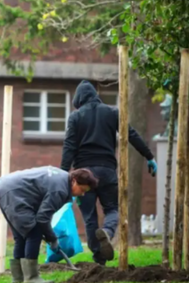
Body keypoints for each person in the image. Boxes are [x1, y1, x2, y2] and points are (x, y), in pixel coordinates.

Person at [60, 80, 158, 265]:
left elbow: (69, 146)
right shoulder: (113, 112)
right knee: (113, 209)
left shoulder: (75, 117)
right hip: (107, 171)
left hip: (83, 175)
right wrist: (149, 156)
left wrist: (63, 174)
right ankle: (108, 231)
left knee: (90, 217)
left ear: (79, 99)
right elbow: (132, 134)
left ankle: (99, 260)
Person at [0, 166, 98, 283]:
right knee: (34, 232)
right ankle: (32, 278)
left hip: (4, 187)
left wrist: (50, 236)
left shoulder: (63, 178)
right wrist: (52, 238)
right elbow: (42, 218)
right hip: (14, 192)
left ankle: (18, 279)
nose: (82, 194)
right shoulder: (60, 190)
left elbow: (43, 213)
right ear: (74, 181)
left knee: (22, 236)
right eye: (82, 190)